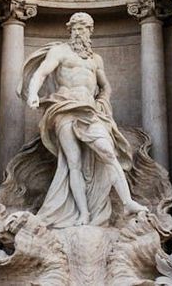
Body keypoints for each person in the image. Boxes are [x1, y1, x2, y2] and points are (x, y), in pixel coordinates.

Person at [20, 12, 147, 228]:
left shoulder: (96, 59)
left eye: (84, 28)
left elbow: (105, 86)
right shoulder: (59, 51)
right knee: (73, 163)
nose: (80, 32)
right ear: (70, 30)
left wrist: (103, 101)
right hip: (65, 107)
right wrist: (33, 93)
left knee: (108, 152)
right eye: (76, 28)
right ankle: (83, 213)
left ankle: (127, 202)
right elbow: (41, 74)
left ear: (91, 31)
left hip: (89, 110)